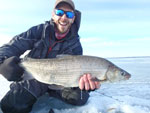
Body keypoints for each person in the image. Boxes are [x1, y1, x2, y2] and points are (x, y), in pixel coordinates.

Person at [0, 0, 100, 113]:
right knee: (11, 106)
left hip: (60, 82)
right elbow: (13, 46)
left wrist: (83, 85)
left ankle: (53, 92)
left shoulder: (75, 45)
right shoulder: (38, 31)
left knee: (79, 97)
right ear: (53, 14)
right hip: (35, 77)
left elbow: (76, 72)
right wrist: (2, 62)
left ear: (73, 18)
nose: (64, 17)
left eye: (69, 14)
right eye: (59, 12)